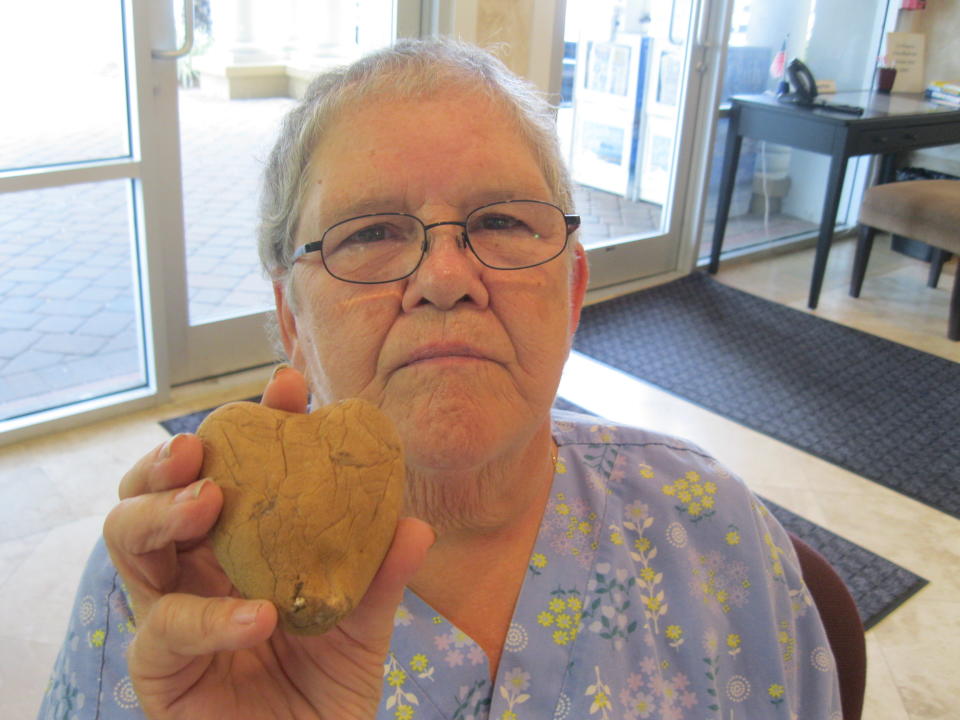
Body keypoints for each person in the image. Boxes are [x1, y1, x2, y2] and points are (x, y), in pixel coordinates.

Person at [40, 39, 842, 719]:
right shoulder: (168, 598)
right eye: (372, 233)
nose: (446, 277)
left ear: (570, 292)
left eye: (500, 220)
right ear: (292, 320)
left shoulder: (713, 532)